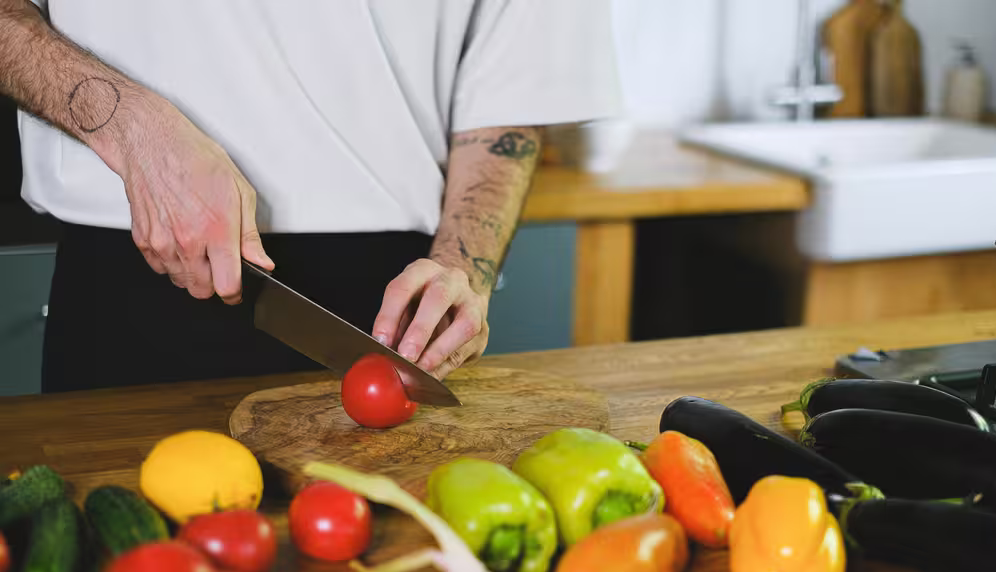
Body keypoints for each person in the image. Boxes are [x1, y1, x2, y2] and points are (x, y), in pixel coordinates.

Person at [0, 0, 621, 392]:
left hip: (391, 312)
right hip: (131, 277)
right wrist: (131, 128)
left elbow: (509, 103)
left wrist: (465, 266)